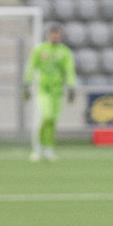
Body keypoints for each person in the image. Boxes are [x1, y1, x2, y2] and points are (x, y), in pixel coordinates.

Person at [23, 24, 77, 162]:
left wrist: (71, 87)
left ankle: (49, 149)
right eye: (53, 34)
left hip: (57, 91)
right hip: (43, 90)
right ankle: (38, 147)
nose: (55, 37)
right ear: (48, 35)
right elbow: (31, 66)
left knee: (53, 120)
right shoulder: (40, 49)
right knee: (46, 117)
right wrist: (27, 83)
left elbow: (69, 70)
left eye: (57, 35)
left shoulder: (64, 52)